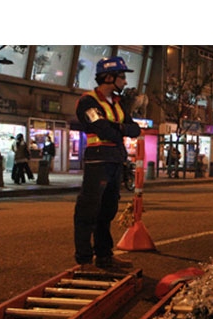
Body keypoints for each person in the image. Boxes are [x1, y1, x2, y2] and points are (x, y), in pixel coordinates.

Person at [73, 56, 142, 271]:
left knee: (107, 211)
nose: (125, 82)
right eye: (122, 77)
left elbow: (135, 129)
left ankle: (104, 256)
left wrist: (118, 128)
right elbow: (102, 128)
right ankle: (85, 261)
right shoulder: (88, 101)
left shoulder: (117, 104)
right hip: (98, 161)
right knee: (88, 211)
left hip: (115, 161)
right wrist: (120, 128)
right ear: (109, 77)